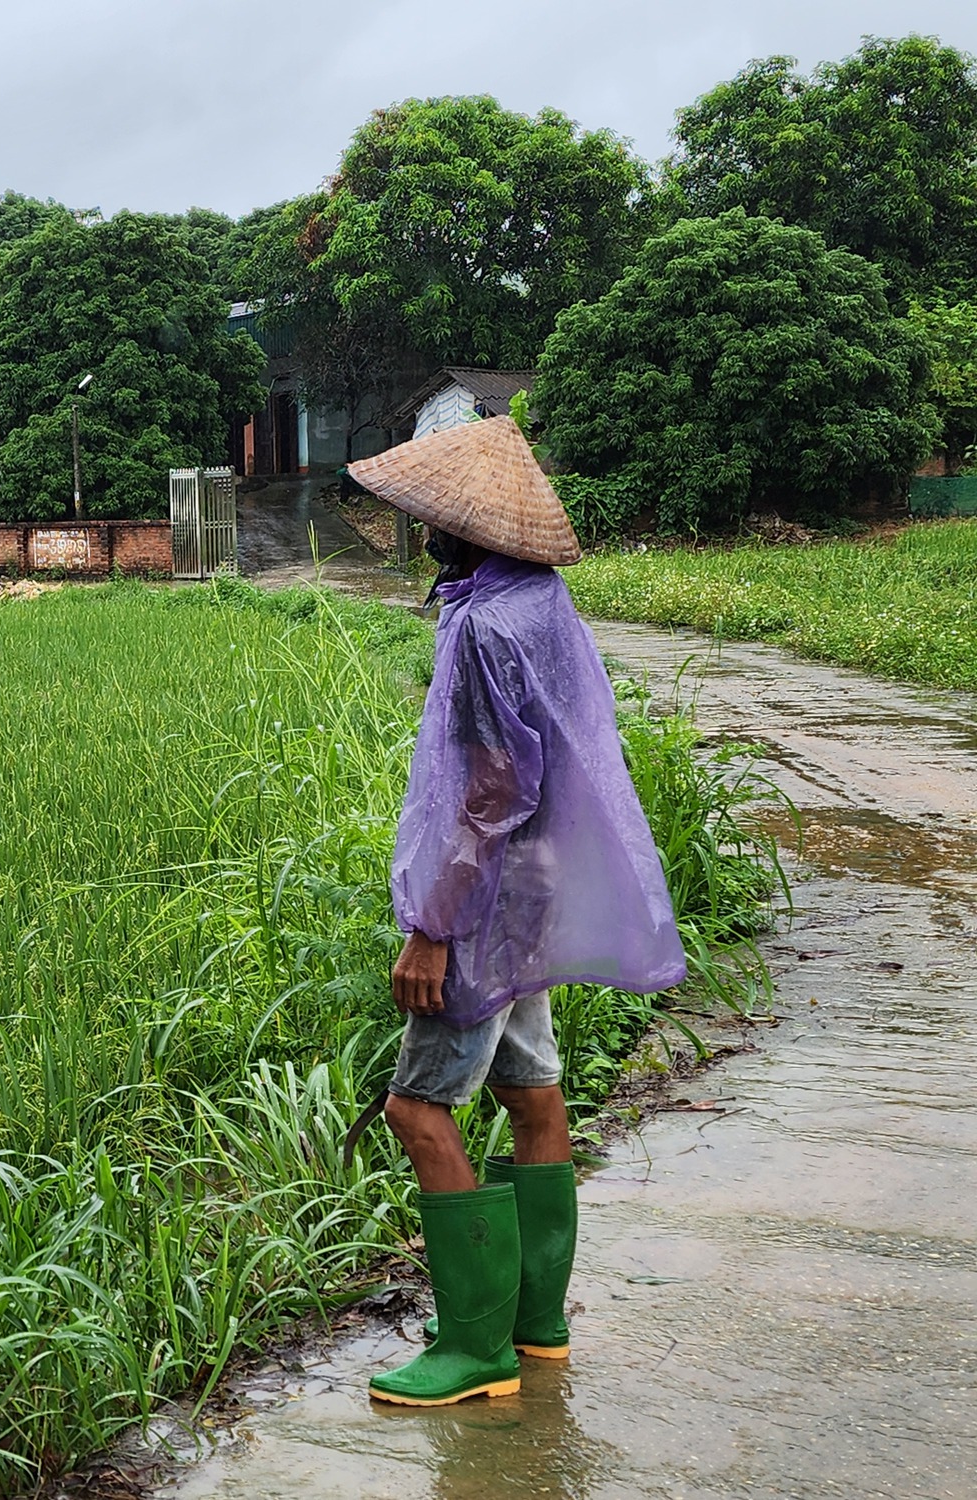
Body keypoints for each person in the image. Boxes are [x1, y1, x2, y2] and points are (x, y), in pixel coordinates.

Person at [344, 416, 687, 1408]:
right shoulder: (539, 600)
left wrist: (430, 925)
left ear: (460, 530)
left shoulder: (484, 625)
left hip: (480, 909)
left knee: (417, 1109)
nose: (418, 531)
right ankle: (535, 1327)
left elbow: (488, 788)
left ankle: (472, 1349)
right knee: (530, 1096)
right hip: (528, 902)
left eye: (427, 519)